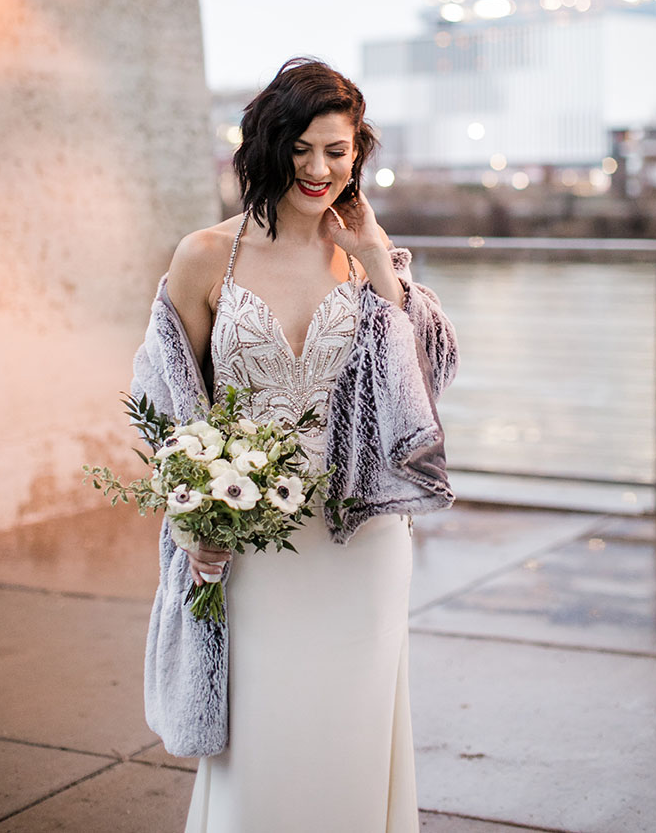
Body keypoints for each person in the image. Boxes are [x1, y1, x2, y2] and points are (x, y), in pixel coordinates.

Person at [134, 58, 459, 833]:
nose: (318, 168)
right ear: (268, 145)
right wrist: (188, 508)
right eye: (302, 147)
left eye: (337, 151)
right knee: (265, 742)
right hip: (255, 540)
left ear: (358, 154)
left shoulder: (367, 257)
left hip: (362, 539)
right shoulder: (208, 255)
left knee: (349, 733)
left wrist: (380, 265)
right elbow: (167, 403)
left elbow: (425, 381)